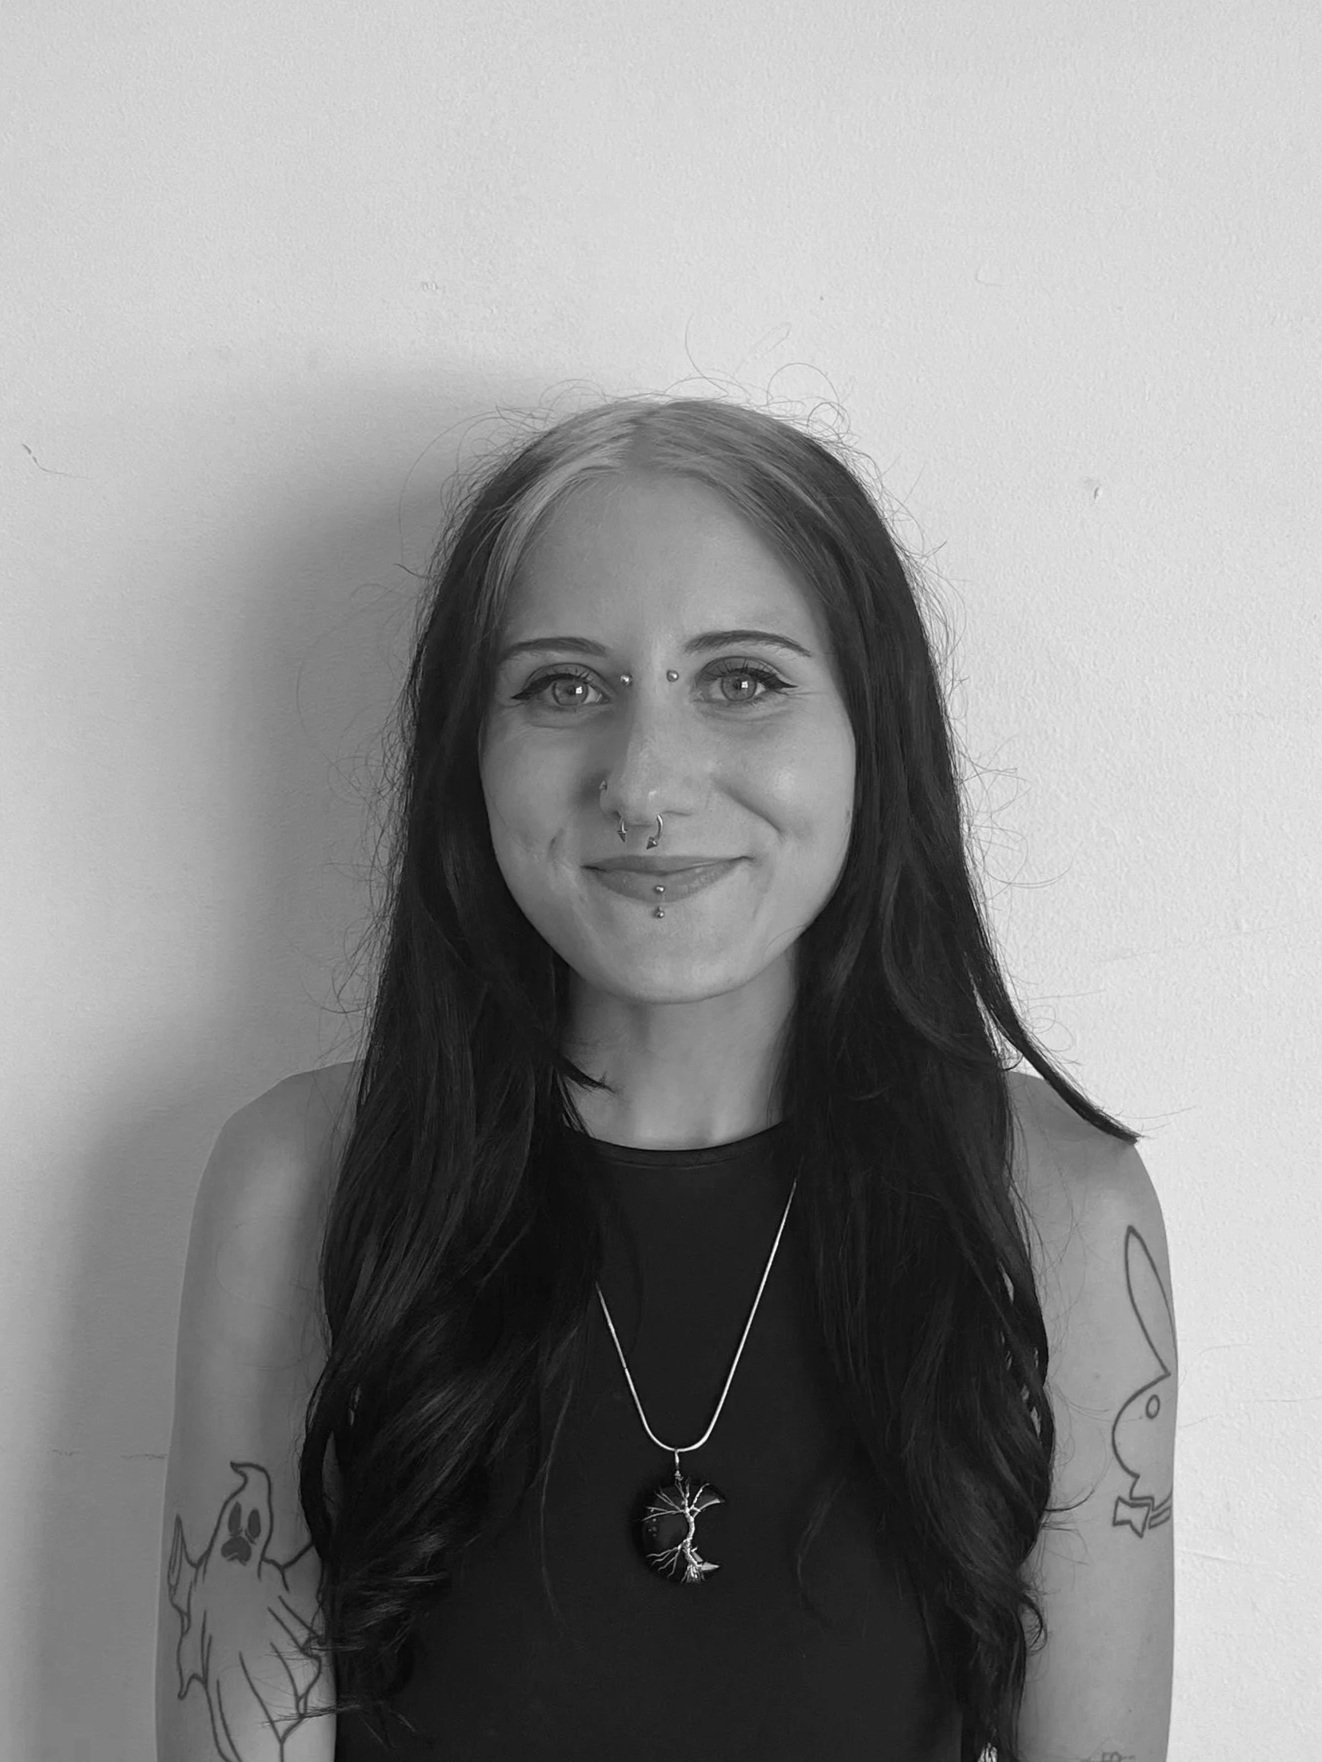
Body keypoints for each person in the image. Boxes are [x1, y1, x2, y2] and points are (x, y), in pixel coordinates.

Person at [155, 395, 1177, 1762]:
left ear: (873, 728)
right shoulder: (306, 1179)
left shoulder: (1053, 1200)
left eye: (741, 678)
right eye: (563, 685)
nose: (646, 779)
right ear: (471, 751)